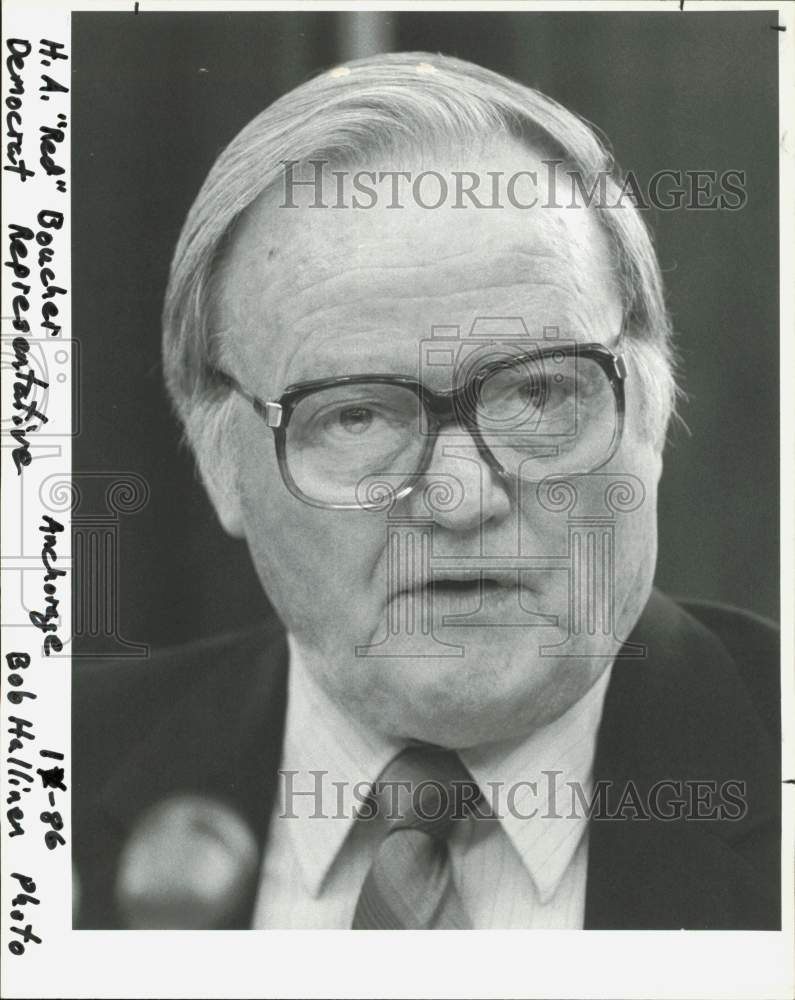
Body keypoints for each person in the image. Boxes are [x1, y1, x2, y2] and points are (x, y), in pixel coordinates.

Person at [73, 51, 779, 931]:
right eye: (358, 416)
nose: (459, 498)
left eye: (537, 394)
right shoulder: (42, 772)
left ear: (651, 407)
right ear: (221, 463)